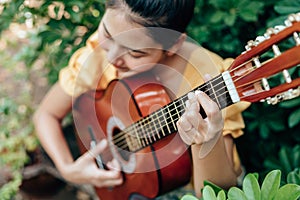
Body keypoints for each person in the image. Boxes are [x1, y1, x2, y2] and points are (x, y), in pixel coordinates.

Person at [33, 0, 250, 198]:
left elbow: (216, 193)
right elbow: (46, 115)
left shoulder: (204, 78)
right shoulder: (97, 56)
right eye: (107, 34)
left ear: (173, 45)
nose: (112, 57)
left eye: (136, 54)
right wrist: (68, 170)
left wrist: (207, 139)